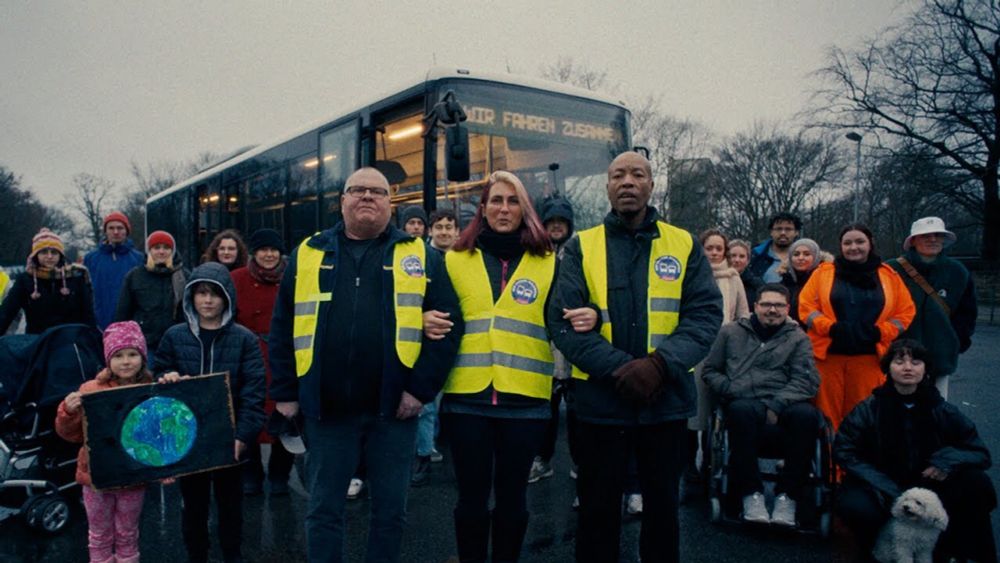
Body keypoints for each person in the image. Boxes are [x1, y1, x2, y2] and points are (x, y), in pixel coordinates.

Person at [268, 167, 462, 563]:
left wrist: (419, 392)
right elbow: (282, 326)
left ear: (390, 203)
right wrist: (286, 393)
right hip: (326, 410)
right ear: (342, 201)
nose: (367, 197)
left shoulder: (419, 254)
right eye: (357, 190)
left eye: (377, 191)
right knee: (324, 511)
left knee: (390, 513)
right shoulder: (308, 253)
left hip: (394, 410)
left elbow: (448, 327)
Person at [548, 151, 723, 563]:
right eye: (618, 175)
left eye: (637, 174)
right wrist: (622, 369)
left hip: (664, 405)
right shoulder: (580, 247)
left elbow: (704, 316)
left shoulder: (682, 244)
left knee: (663, 513)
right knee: (596, 513)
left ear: (651, 184)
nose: (627, 182)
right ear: (607, 186)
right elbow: (561, 322)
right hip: (598, 406)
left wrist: (658, 366)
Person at [428, 172, 589, 563]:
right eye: (496, 200)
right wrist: (422, 320)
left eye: (513, 201)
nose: (504, 208)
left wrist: (592, 316)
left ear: (525, 210)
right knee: (471, 497)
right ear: (483, 208)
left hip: (527, 399)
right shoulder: (454, 259)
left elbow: (567, 316)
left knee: (514, 497)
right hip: (467, 396)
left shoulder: (549, 261)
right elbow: (425, 310)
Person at [834, 339, 997, 562]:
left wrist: (945, 462)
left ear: (926, 369)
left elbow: (978, 452)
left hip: (930, 484)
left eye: (916, 361)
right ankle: (871, 552)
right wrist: (885, 486)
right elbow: (844, 450)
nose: (908, 367)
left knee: (977, 483)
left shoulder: (941, 409)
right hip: (879, 484)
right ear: (888, 368)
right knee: (856, 506)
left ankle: (958, 551)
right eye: (899, 361)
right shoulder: (869, 408)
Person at [152, 262, 266, 563]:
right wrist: (168, 377)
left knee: (231, 505)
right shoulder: (174, 336)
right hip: (189, 440)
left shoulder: (244, 339)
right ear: (191, 297)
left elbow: (253, 393)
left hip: (229, 438)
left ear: (226, 297)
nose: (208, 301)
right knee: (193, 505)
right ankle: (197, 556)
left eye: (215, 294)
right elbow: (159, 376)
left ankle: (232, 555)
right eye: (201, 293)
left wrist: (243, 436)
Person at [702, 284, 821, 527]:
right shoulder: (730, 333)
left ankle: (788, 497)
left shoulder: (797, 338)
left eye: (778, 305)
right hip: (743, 398)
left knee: (807, 416)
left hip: (783, 400)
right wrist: (732, 389)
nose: (772, 310)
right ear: (755, 306)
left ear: (788, 309)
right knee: (740, 411)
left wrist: (777, 404)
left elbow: (806, 379)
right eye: (766, 304)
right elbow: (711, 370)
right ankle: (751, 494)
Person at [798, 224, 915, 431]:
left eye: (860, 242)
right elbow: (806, 307)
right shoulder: (823, 273)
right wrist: (830, 328)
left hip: (869, 358)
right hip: (828, 357)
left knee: (864, 415)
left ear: (870, 244)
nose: (854, 247)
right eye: (847, 243)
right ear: (840, 246)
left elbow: (905, 312)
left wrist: (880, 332)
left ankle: (856, 462)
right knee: (826, 416)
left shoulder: (889, 276)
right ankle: (829, 461)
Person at [55, 321, 155, 563]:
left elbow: (158, 438)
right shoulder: (90, 390)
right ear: (108, 359)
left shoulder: (150, 391)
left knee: (127, 532)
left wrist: (164, 468)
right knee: (98, 534)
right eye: (118, 355)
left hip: (133, 478)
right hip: (95, 478)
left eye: (133, 354)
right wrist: (67, 412)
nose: (126, 361)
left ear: (142, 357)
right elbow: (71, 434)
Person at [230, 228, 295, 496]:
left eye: (274, 250)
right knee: (250, 413)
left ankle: (280, 473)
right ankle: (251, 472)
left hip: (284, 355)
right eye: (263, 250)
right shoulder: (237, 279)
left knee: (286, 415)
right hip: (249, 356)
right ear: (253, 253)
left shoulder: (293, 276)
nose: (269, 255)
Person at [685, 229, 749, 491]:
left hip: (725, 350)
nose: (713, 253)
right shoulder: (692, 275)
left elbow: (743, 314)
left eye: (718, 249)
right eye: (708, 248)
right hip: (695, 350)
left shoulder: (734, 279)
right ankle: (689, 470)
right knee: (693, 415)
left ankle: (716, 467)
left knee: (721, 413)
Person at [886, 217, 977, 399]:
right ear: (913, 240)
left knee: (936, 411)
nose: (932, 239)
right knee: (893, 408)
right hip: (897, 354)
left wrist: (955, 342)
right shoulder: (891, 269)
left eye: (937, 235)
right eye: (925, 235)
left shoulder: (958, 272)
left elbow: (967, 314)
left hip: (940, 355)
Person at [530, 195, 580, 486]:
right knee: (544, 411)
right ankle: (541, 460)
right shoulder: (535, 256)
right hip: (544, 342)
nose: (557, 227)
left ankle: (580, 462)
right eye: (552, 222)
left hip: (572, 343)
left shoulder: (578, 253)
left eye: (562, 222)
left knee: (577, 413)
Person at [0, 228, 95, 334]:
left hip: (70, 341)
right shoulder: (25, 279)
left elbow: (88, 314)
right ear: (36, 255)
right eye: (44, 252)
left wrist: (92, 340)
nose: (49, 256)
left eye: (54, 252)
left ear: (60, 255)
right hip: (37, 341)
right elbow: (7, 311)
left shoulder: (75, 277)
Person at [114, 230, 186, 362]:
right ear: (149, 250)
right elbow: (123, 313)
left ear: (173, 250)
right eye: (156, 247)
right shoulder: (135, 276)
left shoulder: (184, 276)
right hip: (146, 343)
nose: (161, 252)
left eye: (166, 248)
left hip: (177, 342)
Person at [84, 211, 144, 330]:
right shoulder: (90, 258)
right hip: (98, 323)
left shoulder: (139, 258)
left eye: (120, 228)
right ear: (105, 231)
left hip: (129, 324)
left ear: (126, 231)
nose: (115, 232)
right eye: (111, 228)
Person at [777, 238, 821, 325]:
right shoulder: (782, 285)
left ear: (816, 257)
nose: (801, 258)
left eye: (807, 254)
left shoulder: (825, 282)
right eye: (796, 254)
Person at [748, 212, 801, 284]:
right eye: (778, 229)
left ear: (796, 232)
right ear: (771, 232)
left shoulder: (805, 258)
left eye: (788, 229)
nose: (783, 233)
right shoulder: (755, 256)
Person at [727, 239, 763, 304]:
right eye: (733, 255)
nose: (737, 260)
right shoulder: (715, 280)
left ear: (748, 260)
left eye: (742, 256)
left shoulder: (757, 285)